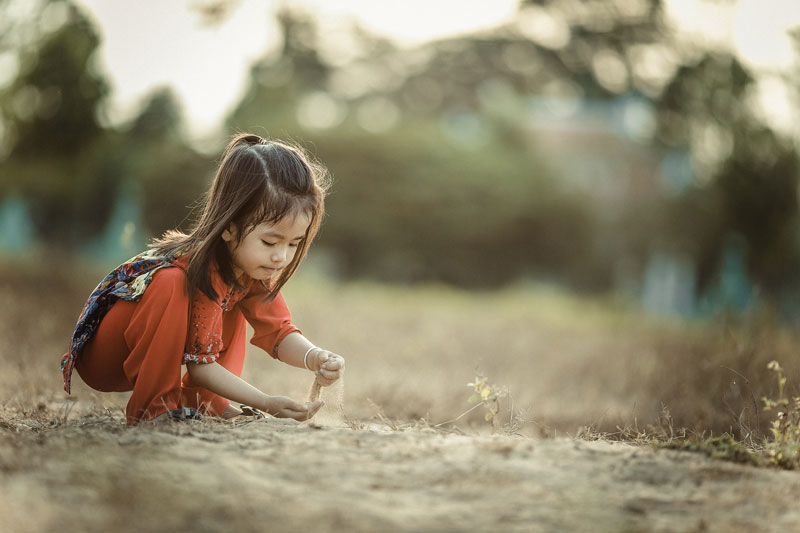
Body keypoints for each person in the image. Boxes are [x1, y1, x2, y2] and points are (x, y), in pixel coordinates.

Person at [60, 133, 344, 425]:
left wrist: (315, 356)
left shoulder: (252, 271)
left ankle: (205, 403)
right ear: (229, 227)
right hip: (107, 358)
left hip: (153, 357)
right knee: (172, 283)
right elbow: (202, 369)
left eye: (294, 244)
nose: (281, 257)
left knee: (230, 302)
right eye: (270, 243)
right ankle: (154, 409)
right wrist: (267, 403)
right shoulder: (197, 268)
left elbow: (279, 333)